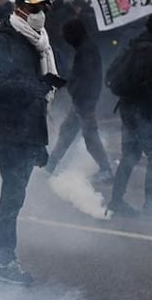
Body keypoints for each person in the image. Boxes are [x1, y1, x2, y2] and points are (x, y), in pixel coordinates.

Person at [0, 0, 62, 285]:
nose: (41, 14)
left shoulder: (36, 42)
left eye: (44, 9)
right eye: (35, 8)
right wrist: (35, 87)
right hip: (9, 133)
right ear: (20, 10)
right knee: (12, 196)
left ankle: (3, 259)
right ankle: (2, 261)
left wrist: (39, 143)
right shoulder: (3, 41)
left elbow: (35, 96)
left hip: (27, 132)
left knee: (15, 196)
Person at [107, 8, 152, 221]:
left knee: (130, 156)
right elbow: (141, 81)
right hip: (141, 112)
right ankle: (151, 204)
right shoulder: (148, 48)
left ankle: (116, 202)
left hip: (130, 109)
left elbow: (144, 76)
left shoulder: (139, 43)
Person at [45, 18, 113, 182]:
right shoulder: (84, 48)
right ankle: (51, 165)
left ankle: (106, 170)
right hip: (80, 101)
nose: (65, 38)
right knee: (67, 132)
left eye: (67, 34)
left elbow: (87, 78)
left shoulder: (86, 50)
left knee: (90, 136)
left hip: (85, 101)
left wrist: (75, 90)